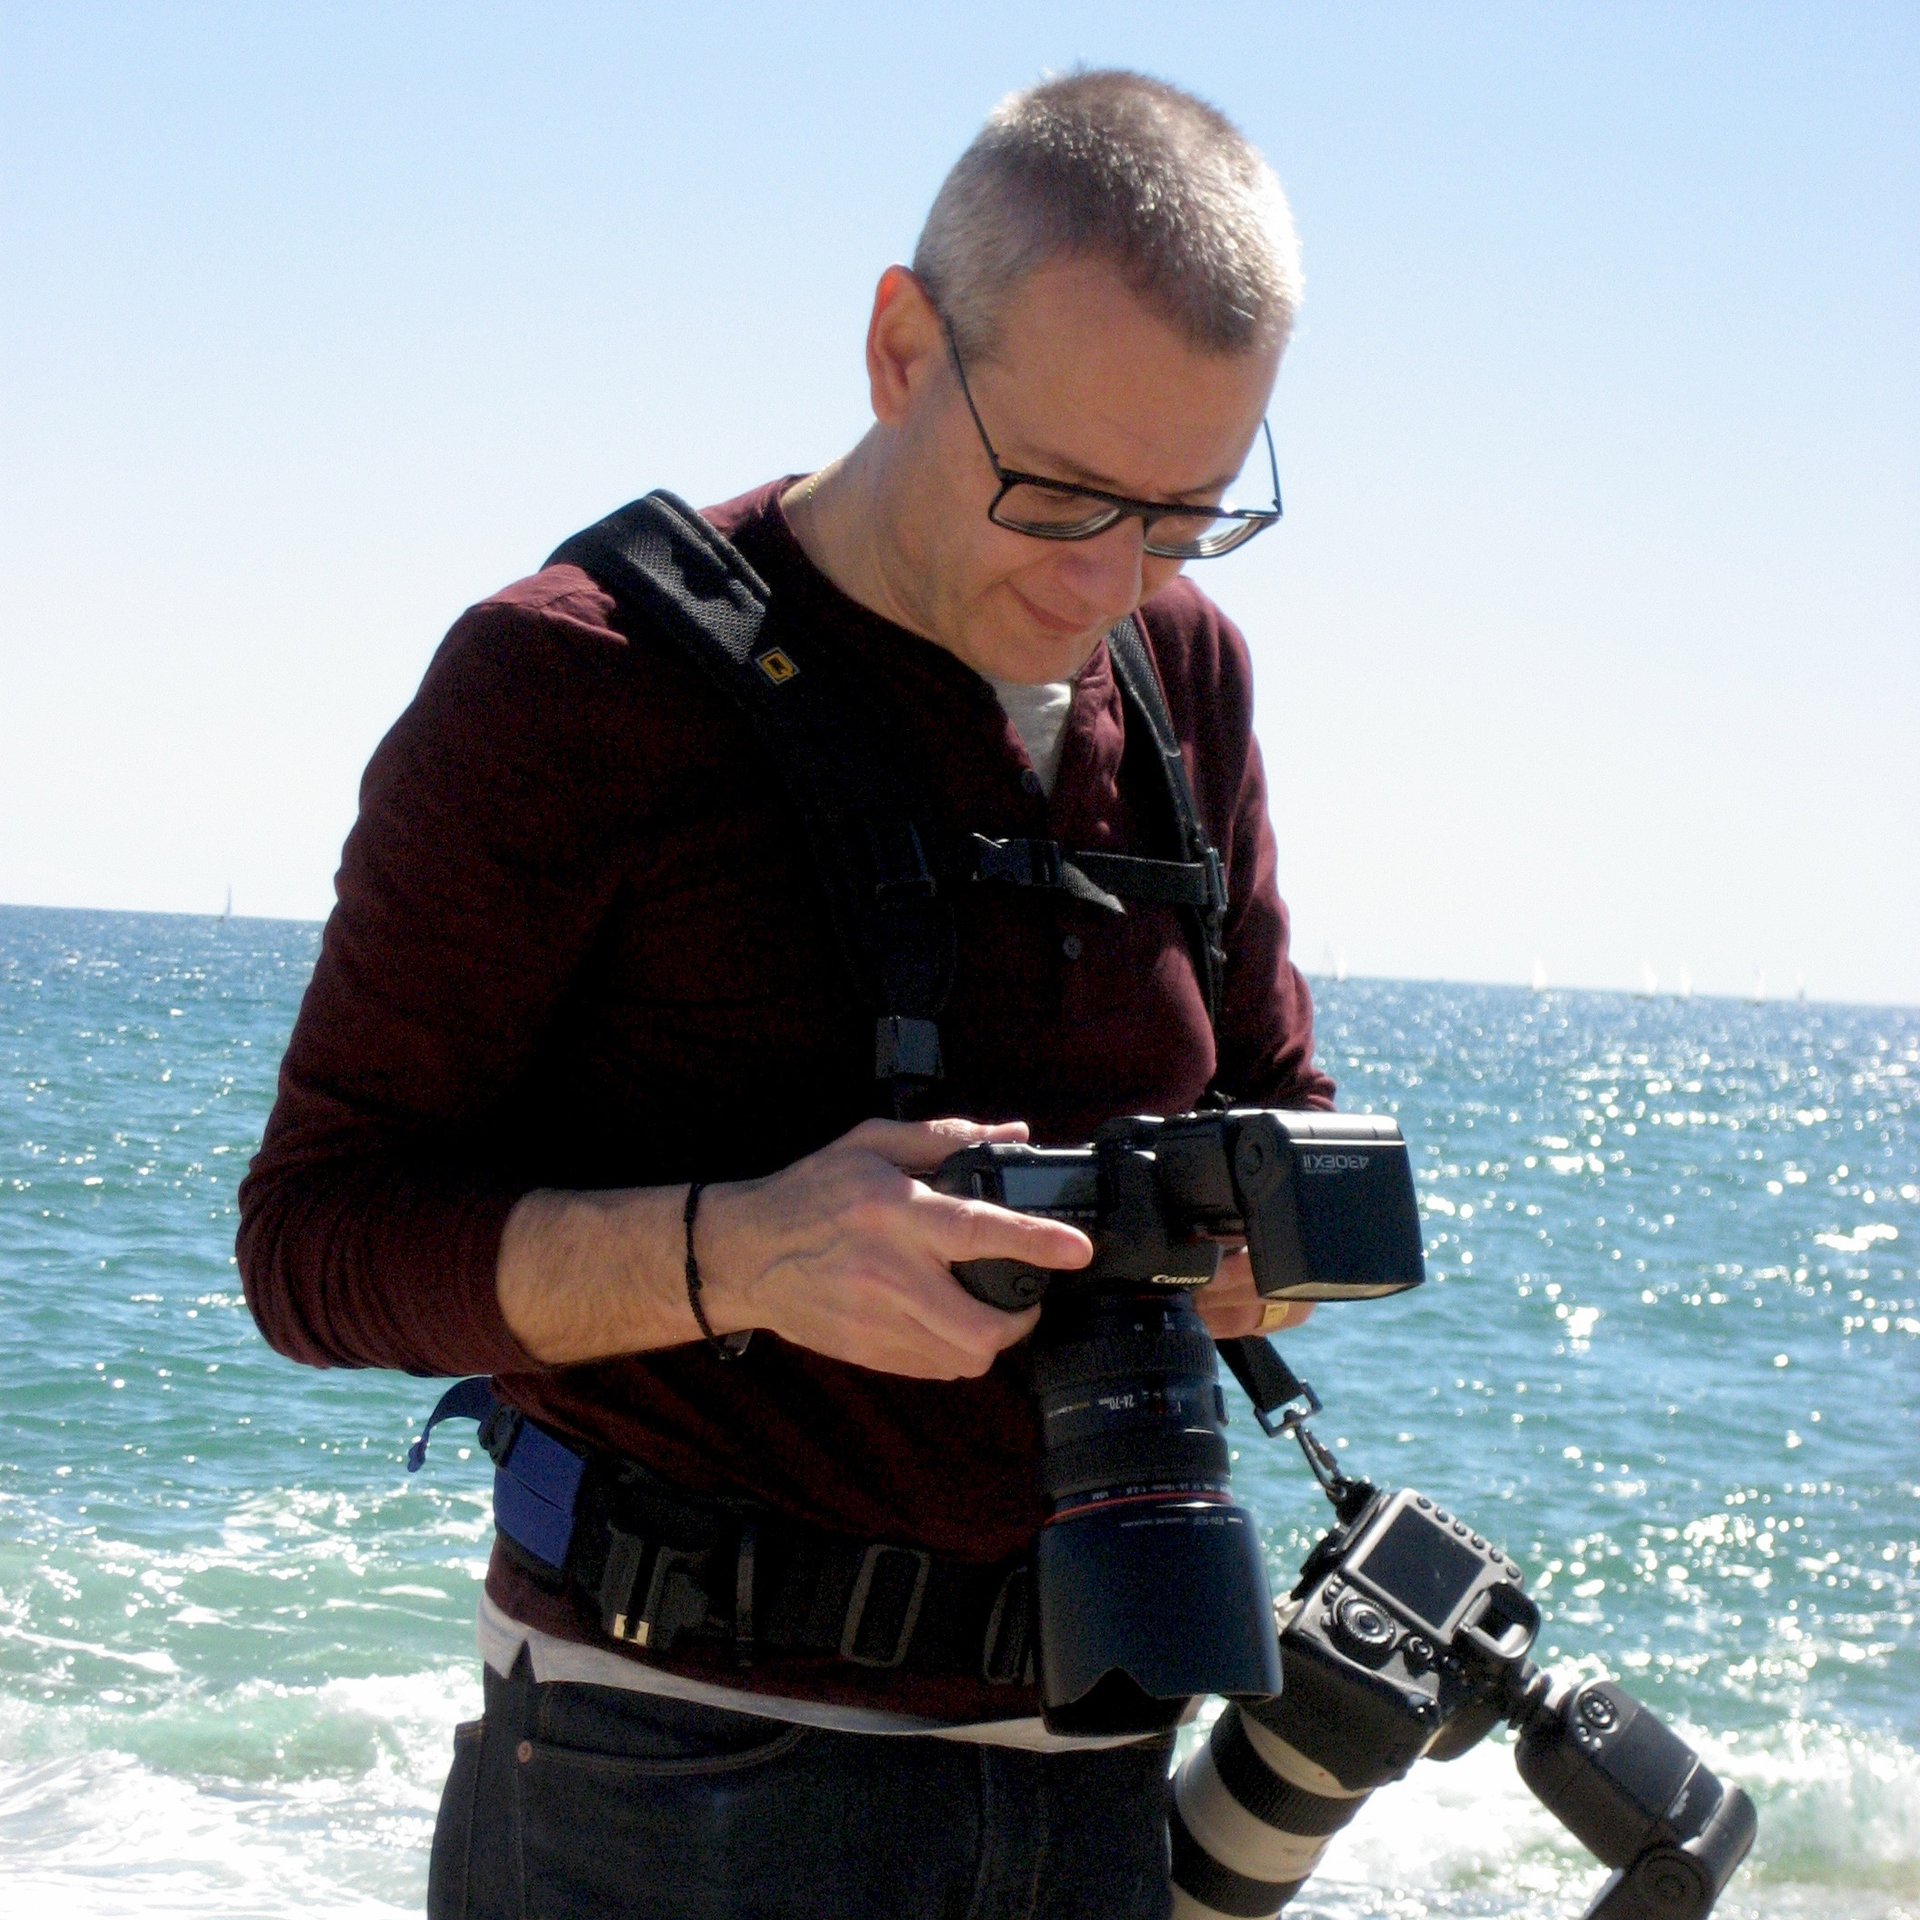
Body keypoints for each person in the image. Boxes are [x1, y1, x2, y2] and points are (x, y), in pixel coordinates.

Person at [239, 68, 1336, 1920]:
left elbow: (1280, 1109)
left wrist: (1256, 1247)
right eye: (1059, 492)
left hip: (1097, 1764)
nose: (1107, 579)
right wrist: (741, 1251)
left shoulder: (1186, 674)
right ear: (902, 349)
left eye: (1183, 514)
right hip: (669, 1775)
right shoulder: (568, 683)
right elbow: (312, 1248)